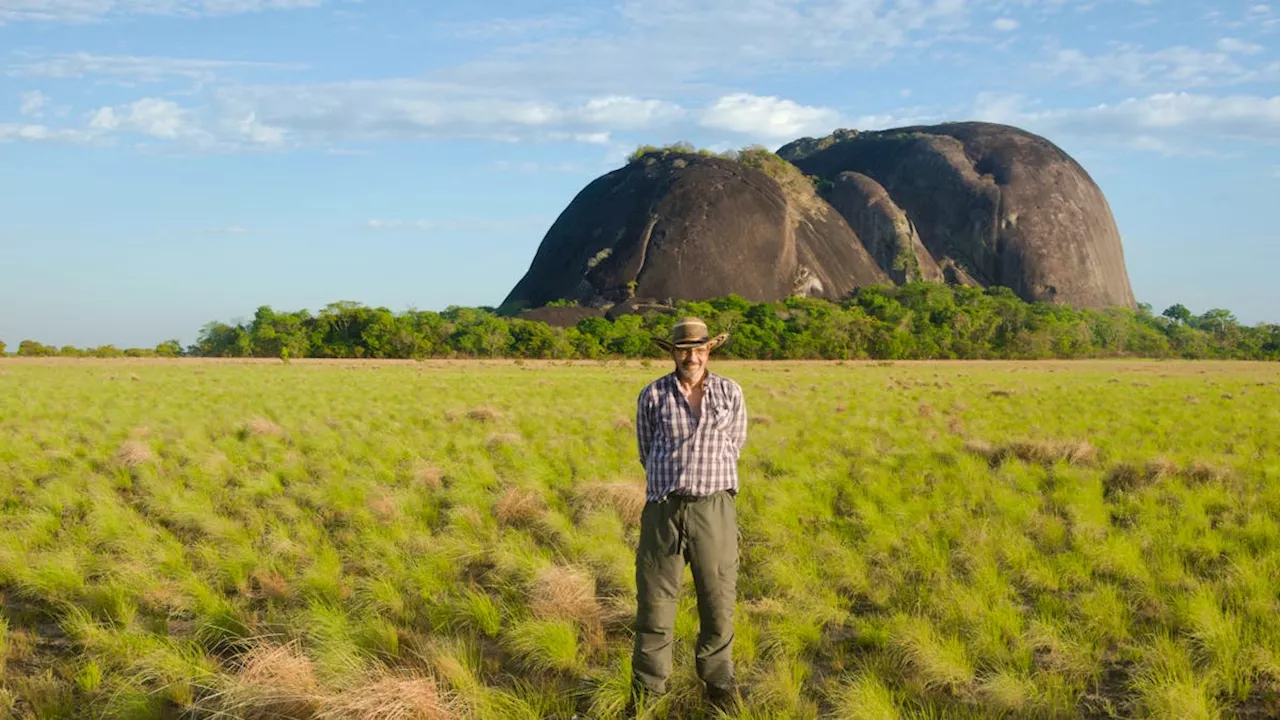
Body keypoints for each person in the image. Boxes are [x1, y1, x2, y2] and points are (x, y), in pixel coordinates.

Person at [630, 316, 747, 714]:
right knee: (655, 604)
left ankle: (718, 683)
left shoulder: (730, 393)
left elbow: (735, 443)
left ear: (709, 350)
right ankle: (648, 689)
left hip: (713, 508)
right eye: (683, 350)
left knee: (717, 599)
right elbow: (646, 450)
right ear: (673, 353)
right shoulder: (653, 395)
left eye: (698, 349)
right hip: (664, 508)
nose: (691, 356)